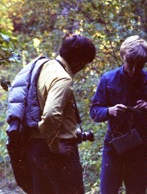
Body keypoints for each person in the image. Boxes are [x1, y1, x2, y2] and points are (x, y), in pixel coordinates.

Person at [90, 35, 147, 194]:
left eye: (139, 65)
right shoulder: (108, 79)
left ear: (145, 62)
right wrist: (109, 111)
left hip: (138, 148)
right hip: (113, 145)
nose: (134, 69)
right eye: (130, 63)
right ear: (122, 57)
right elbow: (94, 112)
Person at [27, 34, 96, 194]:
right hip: (58, 153)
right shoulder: (62, 78)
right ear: (78, 61)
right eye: (84, 63)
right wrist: (55, 146)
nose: (83, 67)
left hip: (36, 148)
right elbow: (51, 115)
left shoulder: (46, 66)